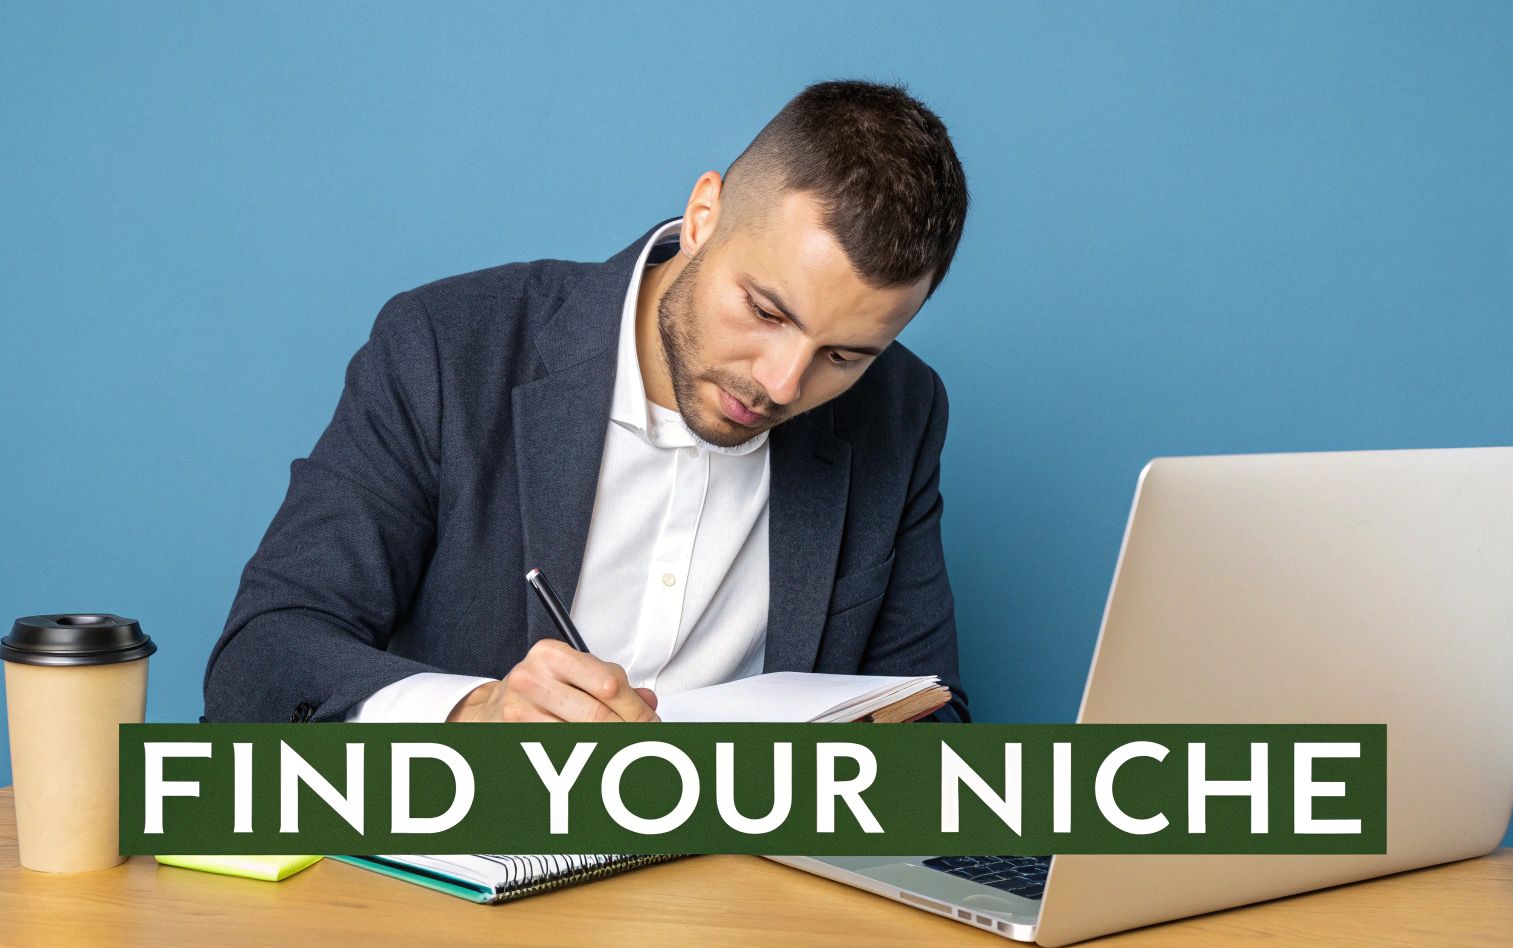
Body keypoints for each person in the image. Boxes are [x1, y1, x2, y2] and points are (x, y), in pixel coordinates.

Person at [203, 79, 971, 725]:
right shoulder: (447, 347)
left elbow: (932, 715)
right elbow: (261, 659)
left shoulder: (900, 409)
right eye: (768, 313)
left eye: (844, 356)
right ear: (704, 216)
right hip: (476, 876)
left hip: (740, 885)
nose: (782, 384)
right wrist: (475, 714)